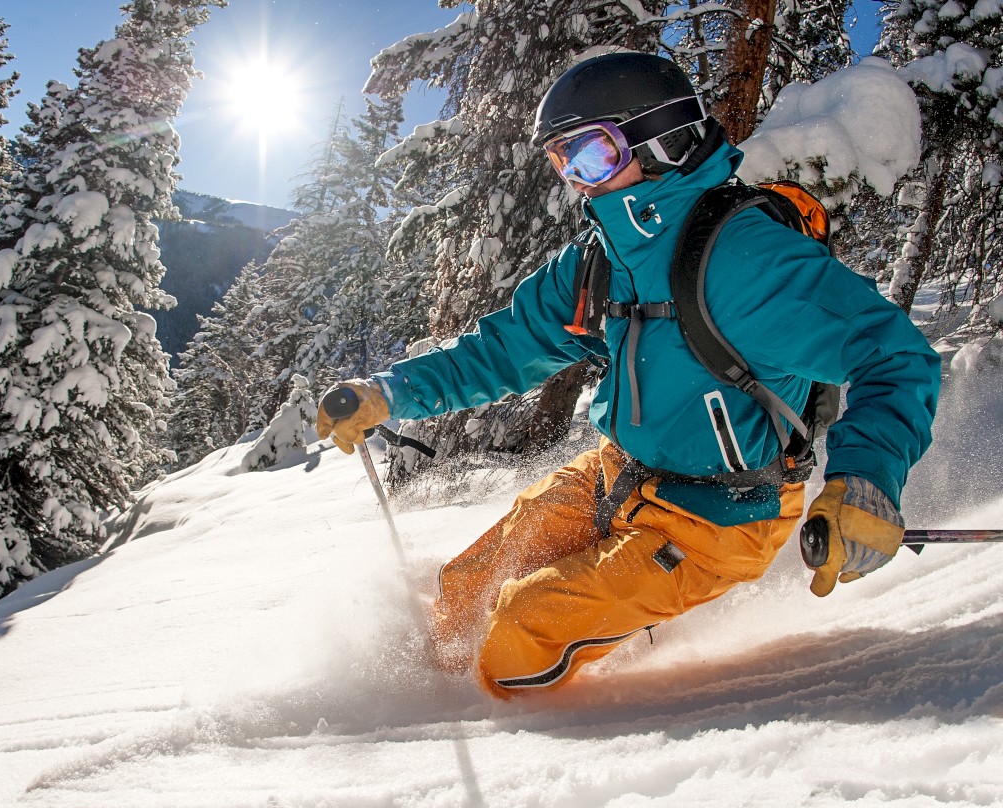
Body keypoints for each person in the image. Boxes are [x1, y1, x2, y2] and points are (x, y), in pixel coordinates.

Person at [316, 52, 940, 700]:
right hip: (618, 476)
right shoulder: (602, 263)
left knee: (518, 635)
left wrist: (865, 479)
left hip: (722, 516)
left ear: (661, 140)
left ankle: (511, 760)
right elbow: (504, 350)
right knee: (464, 590)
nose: (578, 183)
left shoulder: (747, 262)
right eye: (564, 164)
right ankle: (423, 699)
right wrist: (389, 394)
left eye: (589, 156)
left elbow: (894, 355)